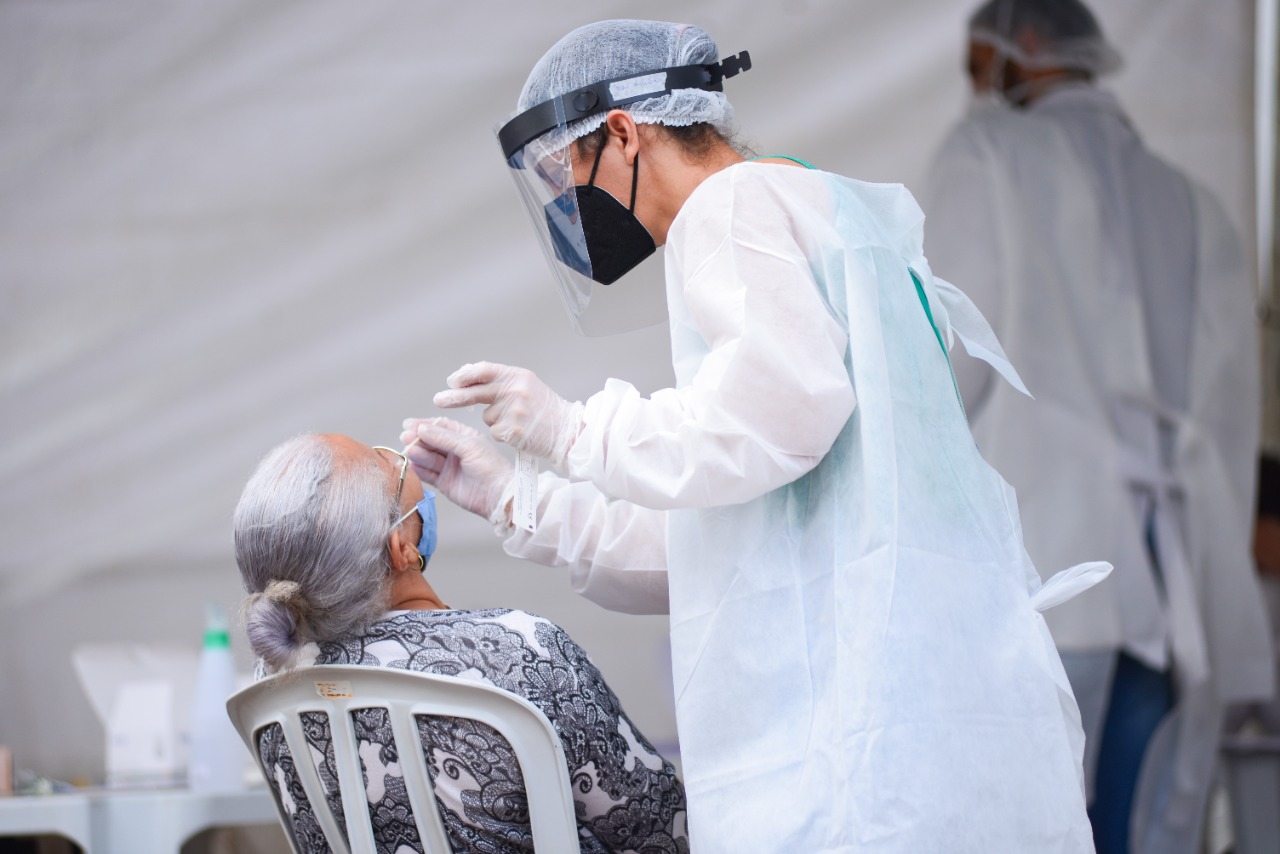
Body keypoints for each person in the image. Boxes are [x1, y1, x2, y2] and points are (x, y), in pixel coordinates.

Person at [400, 19, 1112, 852]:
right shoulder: (827, 212)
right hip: (928, 713)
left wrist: (572, 430)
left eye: (564, 172)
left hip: (857, 750)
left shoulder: (729, 210)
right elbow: (720, 547)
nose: (564, 205)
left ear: (625, 132)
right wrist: (514, 496)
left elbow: (779, 417)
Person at [919, 2, 1275, 852]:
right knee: (1143, 826)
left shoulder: (989, 152)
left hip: (1048, 561)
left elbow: (950, 361)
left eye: (980, 66)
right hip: (1171, 569)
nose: (978, 90)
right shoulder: (1190, 204)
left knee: (1025, 821)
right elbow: (1227, 411)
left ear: (1026, 45)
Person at [232, 433, 689, 854]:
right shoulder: (521, 652)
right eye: (382, 461)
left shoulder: (278, 674)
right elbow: (665, 833)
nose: (397, 457)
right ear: (401, 549)